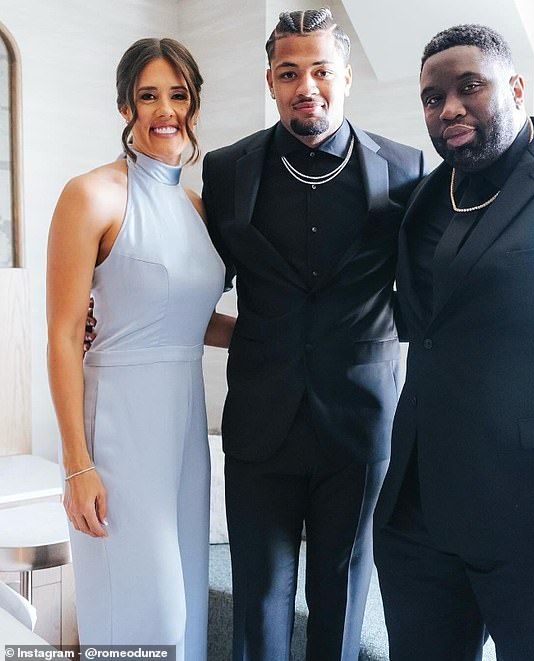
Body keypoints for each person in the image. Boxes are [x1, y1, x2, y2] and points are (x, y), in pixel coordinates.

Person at [373, 23, 534, 661]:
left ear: (515, 86)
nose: (449, 108)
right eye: (433, 98)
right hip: (419, 512)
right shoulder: (425, 199)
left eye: (470, 88)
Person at [202, 8, 424, 661]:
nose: (308, 86)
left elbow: (424, 289)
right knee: (258, 608)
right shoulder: (226, 170)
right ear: (271, 81)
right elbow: (194, 281)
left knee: (343, 605)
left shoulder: (405, 169)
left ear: (346, 76)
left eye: (322, 70)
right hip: (258, 424)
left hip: (359, 429)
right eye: (290, 72)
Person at [46, 38, 234, 659]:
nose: (165, 109)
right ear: (125, 105)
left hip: (183, 424)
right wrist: (77, 465)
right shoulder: (90, 194)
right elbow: (65, 333)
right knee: (144, 610)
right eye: (148, 95)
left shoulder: (196, 206)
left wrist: (291, 340)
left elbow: (190, 320)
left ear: (195, 103)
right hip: (120, 425)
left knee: (184, 607)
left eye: (177, 95)